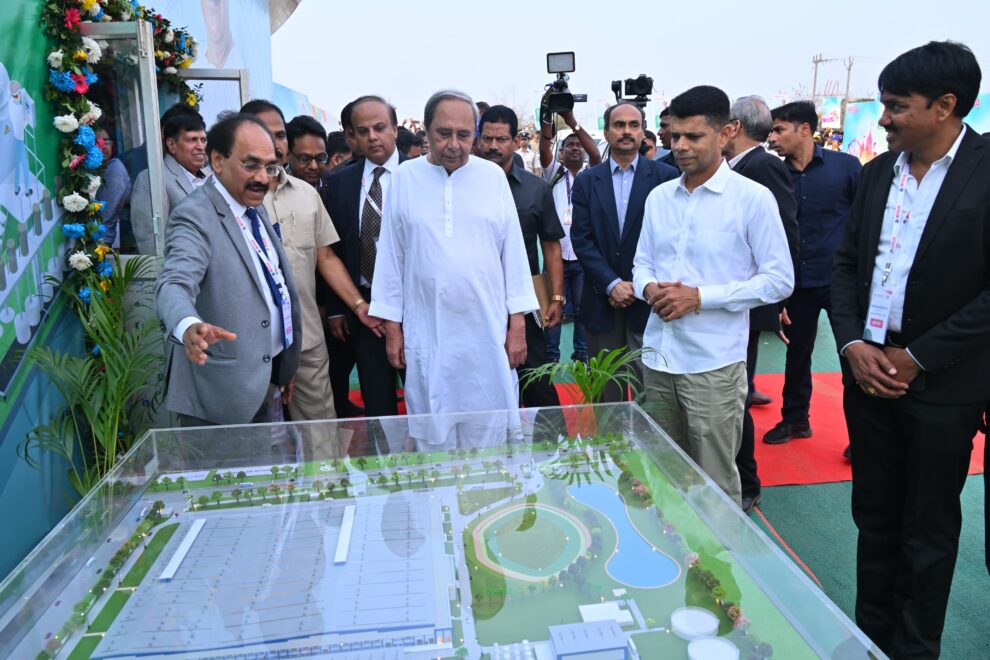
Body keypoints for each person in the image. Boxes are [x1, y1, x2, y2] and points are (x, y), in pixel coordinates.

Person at [830, 41, 989, 658]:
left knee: (927, 529)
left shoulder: (984, 171)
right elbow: (846, 266)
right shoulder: (877, 174)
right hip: (868, 373)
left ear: (945, 106)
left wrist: (919, 356)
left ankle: (915, 649)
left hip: (944, 385)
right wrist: (852, 343)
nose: (885, 117)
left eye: (897, 106)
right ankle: (869, 639)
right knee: (873, 518)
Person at [634, 86, 794, 506]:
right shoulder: (659, 198)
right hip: (658, 357)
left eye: (694, 136)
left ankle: (718, 551)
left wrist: (702, 297)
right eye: (675, 136)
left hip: (713, 365)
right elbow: (641, 264)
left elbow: (780, 280)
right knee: (661, 471)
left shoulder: (752, 199)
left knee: (714, 483)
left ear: (727, 133)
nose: (680, 146)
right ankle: (668, 544)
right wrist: (648, 288)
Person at [370, 90, 537, 429]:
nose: (454, 145)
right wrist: (393, 328)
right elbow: (390, 256)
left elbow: (514, 254)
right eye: (444, 133)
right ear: (426, 130)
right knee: (433, 421)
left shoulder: (492, 177)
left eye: (464, 135)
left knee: (491, 421)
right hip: (427, 327)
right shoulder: (404, 178)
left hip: (487, 327)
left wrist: (517, 324)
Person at [155, 113, 301, 426]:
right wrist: (188, 325)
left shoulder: (252, 205)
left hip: (267, 377)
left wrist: (284, 361)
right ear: (218, 160)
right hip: (220, 394)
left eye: (270, 167)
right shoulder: (194, 216)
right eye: (251, 165)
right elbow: (174, 283)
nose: (263, 178)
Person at [244, 99, 383, 423]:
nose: (274, 143)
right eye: (264, 134)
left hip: (304, 336)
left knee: (320, 431)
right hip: (250, 343)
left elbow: (326, 257)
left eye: (280, 135)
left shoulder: (307, 195)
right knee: (256, 435)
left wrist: (358, 305)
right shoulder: (230, 199)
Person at [764, 101, 861, 446]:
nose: (772, 138)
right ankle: (795, 421)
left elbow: (864, 221)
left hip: (841, 283)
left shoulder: (847, 168)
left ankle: (862, 437)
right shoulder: (775, 175)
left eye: (779, 130)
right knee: (797, 355)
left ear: (804, 129)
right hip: (796, 284)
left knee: (853, 357)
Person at [570, 102, 678, 401]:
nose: (626, 131)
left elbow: (671, 239)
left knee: (652, 398)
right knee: (608, 398)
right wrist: (612, 283)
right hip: (601, 299)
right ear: (606, 132)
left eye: (634, 125)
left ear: (643, 132)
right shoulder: (587, 181)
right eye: (619, 125)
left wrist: (640, 284)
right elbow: (581, 239)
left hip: (650, 302)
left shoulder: (666, 177)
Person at [723, 95, 800, 513]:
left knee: (736, 399)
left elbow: (784, 236)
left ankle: (746, 483)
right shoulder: (734, 168)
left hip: (749, 305)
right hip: (730, 305)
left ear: (733, 127)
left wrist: (781, 298)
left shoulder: (763, 167)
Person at [321, 96, 408, 420]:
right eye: (363, 131)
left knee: (423, 397)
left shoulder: (421, 175)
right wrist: (337, 308)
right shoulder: (339, 181)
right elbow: (331, 250)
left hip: (415, 306)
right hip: (366, 308)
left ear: (395, 129)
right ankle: (385, 452)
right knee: (377, 401)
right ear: (352, 136)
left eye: (380, 127)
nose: (373, 136)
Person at [478, 105, 564, 412]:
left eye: (501, 139)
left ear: (516, 141)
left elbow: (551, 245)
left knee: (536, 379)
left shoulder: (536, 188)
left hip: (525, 298)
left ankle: (552, 440)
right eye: (487, 139)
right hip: (476, 298)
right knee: (483, 381)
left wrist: (556, 296)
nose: (493, 146)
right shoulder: (462, 187)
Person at [538, 110, 602, 364]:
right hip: (556, 257)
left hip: (582, 257)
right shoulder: (553, 173)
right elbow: (544, 149)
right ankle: (552, 357)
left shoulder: (591, 175)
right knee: (552, 308)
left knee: (582, 311)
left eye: (578, 145)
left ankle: (582, 356)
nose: (575, 148)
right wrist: (547, 118)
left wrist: (572, 122)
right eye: (569, 146)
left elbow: (596, 155)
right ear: (561, 153)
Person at [131, 107, 210, 255]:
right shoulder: (153, 178)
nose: (200, 147)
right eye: (192, 140)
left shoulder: (212, 178)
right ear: (171, 145)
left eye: (203, 140)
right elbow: (149, 241)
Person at [94, 127, 132, 248]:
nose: (103, 147)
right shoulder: (87, 173)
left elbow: (107, 216)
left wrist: (102, 246)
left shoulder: (115, 168)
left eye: (106, 142)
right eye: (97, 142)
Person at [285, 114, 330, 188]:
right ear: (287, 154)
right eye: (305, 159)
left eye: (320, 158)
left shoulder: (335, 185)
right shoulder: (271, 186)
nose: (314, 166)